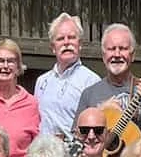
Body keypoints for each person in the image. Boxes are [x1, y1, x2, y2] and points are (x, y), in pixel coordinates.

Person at [76, 23, 141, 132]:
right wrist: (100, 112)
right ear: (104, 56)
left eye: (123, 48)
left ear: (133, 55)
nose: (117, 54)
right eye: (111, 49)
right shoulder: (89, 94)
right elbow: (77, 136)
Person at [34, 12, 101, 140]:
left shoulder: (91, 81)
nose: (66, 43)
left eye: (71, 37)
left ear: (80, 44)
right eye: (60, 39)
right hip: (44, 155)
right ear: (53, 47)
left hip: (74, 156)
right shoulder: (42, 82)